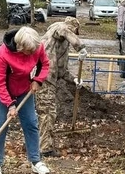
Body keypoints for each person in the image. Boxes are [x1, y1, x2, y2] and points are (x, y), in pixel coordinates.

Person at [0, 26, 50, 174]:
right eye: (29, 51)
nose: (33, 52)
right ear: (20, 47)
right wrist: (10, 105)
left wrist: (38, 80)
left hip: (24, 90)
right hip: (0, 92)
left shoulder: (36, 47)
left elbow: (45, 65)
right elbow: (0, 83)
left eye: (35, 49)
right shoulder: (2, 55)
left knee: (31, 123)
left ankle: (36, 161)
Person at [36, 21, 87, 157]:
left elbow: (62, 71)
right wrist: (80, 47)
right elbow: (63, 29)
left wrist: (74, 79)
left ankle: (44, 144)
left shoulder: (62, 44)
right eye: (74, 32)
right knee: (47, 112)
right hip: (43, 78)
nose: (73, 35)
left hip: (50, 79)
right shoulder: (57, 29)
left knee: (50, 113)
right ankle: (44, 148)